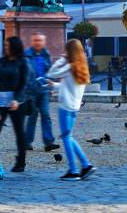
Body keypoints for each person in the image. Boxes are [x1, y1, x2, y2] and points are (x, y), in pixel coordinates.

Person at [46, 39, 95, 180]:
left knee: (66, 137)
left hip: (65, 107)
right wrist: (54, 86)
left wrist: (61, 59)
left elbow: (52, 72)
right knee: (69, 136)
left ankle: (73, 170)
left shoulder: (69, 66)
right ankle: (86, 165)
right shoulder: (81, 67)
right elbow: (68, 87)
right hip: (74, 108)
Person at [0, 36, 33, 173]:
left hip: (16, 103)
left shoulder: (22, 62)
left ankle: (21, 162)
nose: (6, 48)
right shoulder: (1, 61)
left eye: (8, 46)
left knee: (19, 132)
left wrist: (17, 99)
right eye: (5, 46)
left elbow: (24, 83)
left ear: (15, 47)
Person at [22, 34, 57, 152]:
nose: (38, 42)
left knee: (46, 115)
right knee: (32, 116)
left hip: (44, 90)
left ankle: (49, 142)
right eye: (36, 40)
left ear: (43, 42)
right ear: (32, 41)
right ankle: (27, 142)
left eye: (40, 40)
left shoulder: (45, 54)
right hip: (31, 91)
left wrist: (51, 87)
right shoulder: (27, 55)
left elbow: (50, 72)